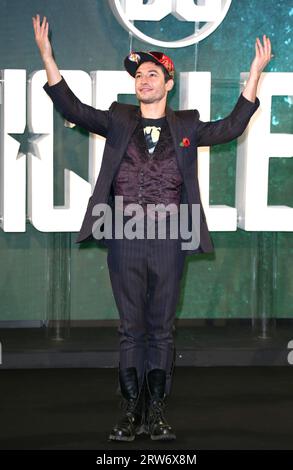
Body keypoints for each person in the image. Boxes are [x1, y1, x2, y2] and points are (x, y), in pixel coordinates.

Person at [32, 13, 272, 442]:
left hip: (169, 238)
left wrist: (253, 75)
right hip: (124, 237)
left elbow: (232, 127)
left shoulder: (187, 125)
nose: (143, 80)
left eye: (151, 74)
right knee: (130, 329)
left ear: (168, 82)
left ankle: (156, 413)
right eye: (138, 76)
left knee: (161, 328)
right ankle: (129, 413)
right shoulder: (119, 119)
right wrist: (48, 57)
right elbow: (71, 107)